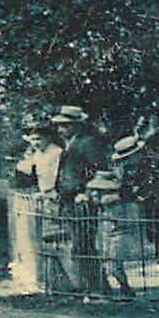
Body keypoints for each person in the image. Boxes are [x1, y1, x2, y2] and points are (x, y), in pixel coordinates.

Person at [114, 134, 159, 296]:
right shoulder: (130, 171)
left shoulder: (157, 165)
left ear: (138, 154)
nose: (127, 162)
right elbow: (126, 193)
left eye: (129, 158)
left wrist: (143, 194)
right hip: (152, 215)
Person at [52, 105, 107, 293]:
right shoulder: (69, 145)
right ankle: (93, 286)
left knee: (84, 245)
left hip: (82, 202)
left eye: (66, 126)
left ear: (77, 126)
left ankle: (97, 288)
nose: (61, 130)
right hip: (68, 201)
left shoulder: (88, 143)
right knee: (79, 245)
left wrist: (86, 191)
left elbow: (98, 170)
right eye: (59, 126)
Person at [10, 122, 63, 289]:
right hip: (42, 198)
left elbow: (59, 176)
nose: (35, 143)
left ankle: (58, 280)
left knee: (55, 239)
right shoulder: (38, 154)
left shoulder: (56, 152)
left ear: (48, 137)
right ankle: (44, 278)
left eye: (39, 139)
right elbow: (22, 170)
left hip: (54, 196)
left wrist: (52, 192)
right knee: (38, 239)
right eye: (32, 139)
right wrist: (29, 154)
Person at [81, 170, 137, 299]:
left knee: (113, 263)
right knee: (107, 262)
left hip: (117, 233)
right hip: (104, 233)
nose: (95, 192)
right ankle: (120, 289)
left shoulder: (118, 201)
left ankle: (125, 288)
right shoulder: (100, 201)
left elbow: (124, 219)